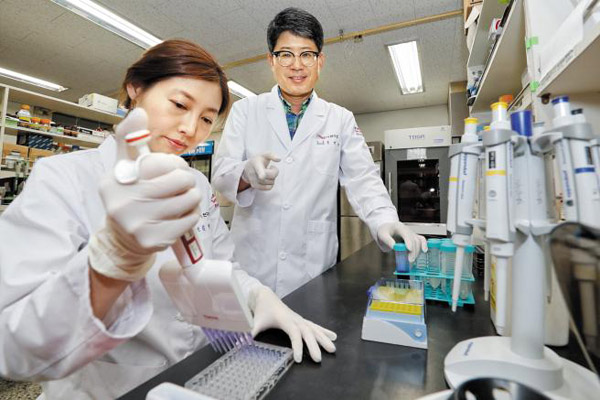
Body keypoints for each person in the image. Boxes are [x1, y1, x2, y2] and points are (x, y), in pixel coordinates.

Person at [0, 39, 335, 400]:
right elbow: (11, 348)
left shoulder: (194, 184)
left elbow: (220, 266)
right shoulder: (63, 178)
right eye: (179, 104)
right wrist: (109, 264)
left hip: (196, 378)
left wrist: (258, 294)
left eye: (206, 119)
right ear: (136, 89)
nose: (190, 128)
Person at [212, 8, 427, 298]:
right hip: (252, 263)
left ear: (320, 61)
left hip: (311, 267)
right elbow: (221, 176)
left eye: (307, 54)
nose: (296, 65)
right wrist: (246, 175)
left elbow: (364, 179)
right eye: (285, 54)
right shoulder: (245, 111)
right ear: (271, 61)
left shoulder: (340, 119)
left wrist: (385, 220)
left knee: (309, 321)